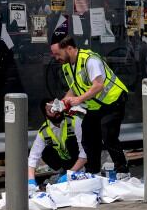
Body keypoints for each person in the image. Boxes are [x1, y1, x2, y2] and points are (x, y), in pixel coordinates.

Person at [50, 34, 131, 178]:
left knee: (108, 134)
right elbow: (74, 87)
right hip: (95, 106)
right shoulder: (67, 66)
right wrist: (63, 102)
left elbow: (98, 85)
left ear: (69, 48)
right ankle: (93, 172)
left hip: (113, 100)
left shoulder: (90, 60)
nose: (56, 58)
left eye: (58, 54)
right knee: (88, 135)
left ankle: (123, 171)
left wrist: (78, 100)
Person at [28, 99, 87, 187]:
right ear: (46, 115)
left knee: (70, 142)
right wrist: (31, 180)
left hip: (81, 160)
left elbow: (85, 152)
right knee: (46, 151)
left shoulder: (75, 121)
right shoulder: (44, 131)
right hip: (65, 162)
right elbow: (33, 157)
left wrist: (70, 174)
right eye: (51, 110)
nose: (55, 111)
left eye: (56, 107)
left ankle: (79, 171)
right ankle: (63, 172)